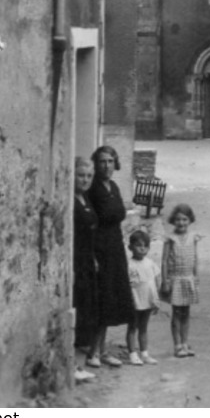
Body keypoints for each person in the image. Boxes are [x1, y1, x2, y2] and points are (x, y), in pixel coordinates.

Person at [86, 144, 135, 368]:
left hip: (115, 247)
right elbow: (91, 223)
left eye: (110, 161)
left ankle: (103, 350)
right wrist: (93, 255)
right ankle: (93, 352)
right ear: (95, 164)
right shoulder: (93, 188)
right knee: (101, 300)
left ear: (116, 164)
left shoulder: (113, 186)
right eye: (102, 161)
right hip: (100, 248)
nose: (106, 166)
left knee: (112, 299)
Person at [159, 203, 200, 358]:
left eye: (184, 219)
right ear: (173, 221)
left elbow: (195, 258)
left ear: (190, 220)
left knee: (186, 312)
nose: (181, 223)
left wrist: (196, 277)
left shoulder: (193, 238)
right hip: (175, 279)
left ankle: (185, 342)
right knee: (176, 313)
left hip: (188, 279)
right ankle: (177, 345)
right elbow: (164, 261)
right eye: (177, 220)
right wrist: (165, 281)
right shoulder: (170, 239)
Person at [72, 157, 98, 383]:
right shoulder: (71, 201)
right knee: (79, 311)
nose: (85, 180)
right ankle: (73, 365)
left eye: (89, 176)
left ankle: (80, 365)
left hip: (88, 263)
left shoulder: (85, 198)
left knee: (88, 311)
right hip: (76, 263)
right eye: (81, 175)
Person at [126, 228, 160, 365]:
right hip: (135, 300)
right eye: (139, 245)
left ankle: (144, 353)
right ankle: (132, 354)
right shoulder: (129, 265)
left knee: (144, 327)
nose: (142, 249)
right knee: (132, 327)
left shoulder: (150, 263)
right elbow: (126, 284)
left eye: (146, 246)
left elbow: (155, 280)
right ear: (130, 247)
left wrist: (155, 299)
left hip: (147, 300)